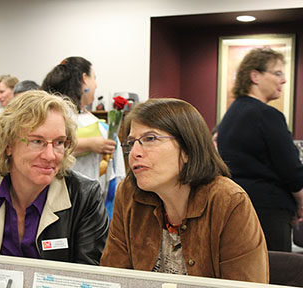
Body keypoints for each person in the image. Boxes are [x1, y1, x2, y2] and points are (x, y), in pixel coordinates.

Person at [100, 98, 268, 282]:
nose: (134, 153)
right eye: (131, 143)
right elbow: (112, 279)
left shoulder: (228, 201)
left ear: (188, 148)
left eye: (150, 139)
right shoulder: (129, 193)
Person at [0, 90, 109, 264]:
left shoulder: (84, 196)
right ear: (8, 144)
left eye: (59, 143)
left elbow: (90, 277)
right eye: (37, 141)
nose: (50, 156)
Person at [217, 48, 303, 252]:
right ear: (255, 76)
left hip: (236, 205)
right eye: (278, 73)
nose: (283, 80)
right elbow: (291, 169)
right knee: (273, 274)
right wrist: (301, 201)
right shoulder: (267, 115)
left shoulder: (231, 114)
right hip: (269, 211)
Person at [42, 57, 126, 203]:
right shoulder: (57, 115)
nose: (96, 85)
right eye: (94, 78)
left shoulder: (86, 116)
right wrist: (89, 144)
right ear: (84, 79)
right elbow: (43, 146)